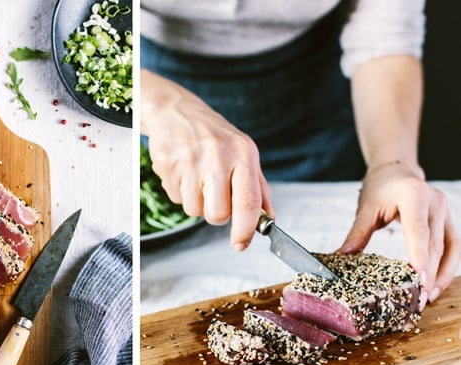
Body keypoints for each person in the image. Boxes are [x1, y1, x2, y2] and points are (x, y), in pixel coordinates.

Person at [140, 0, 461, 308]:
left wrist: (394, 163)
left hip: (315, 106)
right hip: (140, 87)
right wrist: (160, 105)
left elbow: (386, 32)